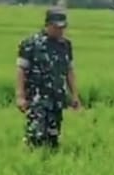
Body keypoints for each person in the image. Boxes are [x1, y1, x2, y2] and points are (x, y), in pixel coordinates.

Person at [16, 7, 81, 149]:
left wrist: (75, 95)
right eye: (57, 27)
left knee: (53, 138)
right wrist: (20, 96)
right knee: (35, 137)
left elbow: (69, 71)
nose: (60, 31)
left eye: (62, 28)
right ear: (48, 24)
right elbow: (21, 70)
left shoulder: (65, 45)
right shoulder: (31, 44)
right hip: (37, 99)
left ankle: (49, 161)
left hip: (57, 100)